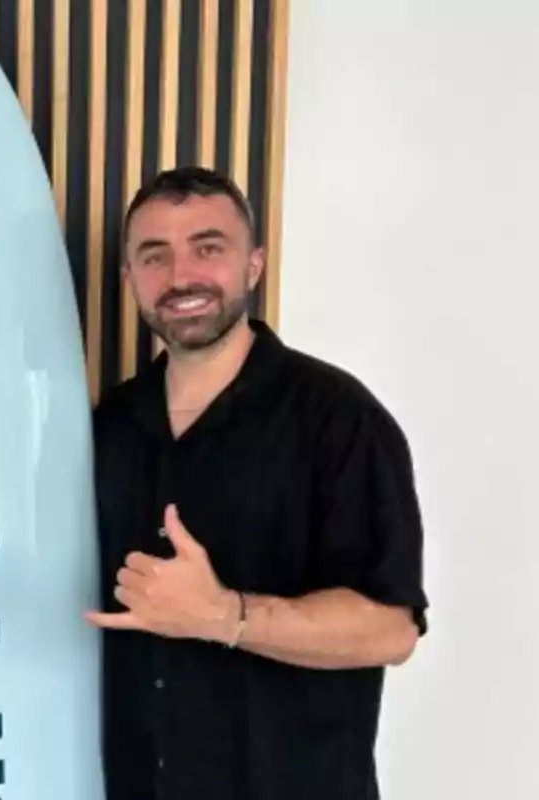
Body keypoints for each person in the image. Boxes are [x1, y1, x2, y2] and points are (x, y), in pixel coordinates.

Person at [84, 166, 429, 800]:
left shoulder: (339, 418)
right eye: (155, 256)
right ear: (130, 279)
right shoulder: (107, 427)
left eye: (208, 249)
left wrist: (225, 616)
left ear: (253, 265)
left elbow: (391, 630)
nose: (182, 276)